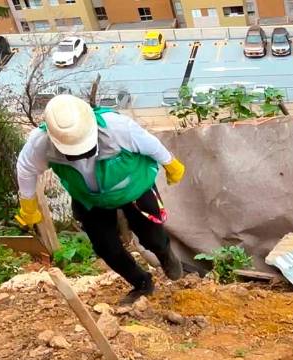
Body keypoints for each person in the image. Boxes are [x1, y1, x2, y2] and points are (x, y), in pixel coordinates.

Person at [15, 94, 186, 304]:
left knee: (153, 237)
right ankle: (142, 283)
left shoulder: (117, 128)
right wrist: (28, 205)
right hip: (90, 199)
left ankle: (165, 254)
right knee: (106, 247)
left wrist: (171, 164)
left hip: (134, 188)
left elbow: (150, 144)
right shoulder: (40, 144)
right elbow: (26, 170)